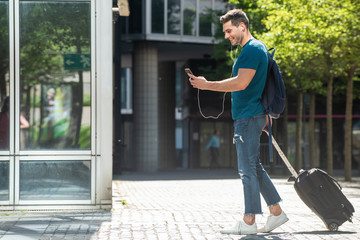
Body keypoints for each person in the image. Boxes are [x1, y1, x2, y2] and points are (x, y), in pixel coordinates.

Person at [187, 9, 288, 235]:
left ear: (242, 26)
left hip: (248, 116)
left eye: (229, 30)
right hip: (252, 115)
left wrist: (207, 85)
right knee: (254, 167)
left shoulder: (252, 49)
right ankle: (277, 212)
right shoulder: (253, 49)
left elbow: (241, 83)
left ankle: (249, 221)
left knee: (247, 170)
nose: (227, 36)